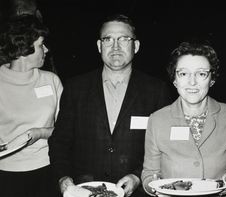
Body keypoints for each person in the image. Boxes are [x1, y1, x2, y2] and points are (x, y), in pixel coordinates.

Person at [48, 14, 172, 197]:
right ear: (99, 46)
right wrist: (63, 178)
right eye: (108, 39)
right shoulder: (76, 88)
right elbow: (59, 142)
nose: (115, 47)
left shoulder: (156, 90)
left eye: (123, 39)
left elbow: (166, 146)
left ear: (135, 46)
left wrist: (138, 177)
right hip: (84, 190)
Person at [141, 41, 226, 196]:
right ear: (174, 79)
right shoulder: (157, 120)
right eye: (184, 74)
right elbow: (149, 173)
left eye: (201, 74)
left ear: (211, 79)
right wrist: (157, 186)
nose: (192, 82)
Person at [0, 15, 63, 197]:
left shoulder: (51, 80)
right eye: (41, 45)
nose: (46, 49)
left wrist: (41, 133)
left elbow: (66, 129)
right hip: (6, 174)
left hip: (48, 168)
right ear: (22, 49)